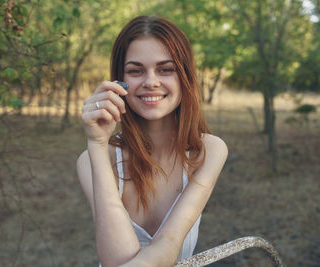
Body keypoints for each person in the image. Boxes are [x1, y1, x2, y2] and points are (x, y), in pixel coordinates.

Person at [76, 16, 228, 267]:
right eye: (136, 71)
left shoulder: (208, 150)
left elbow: (168, 246)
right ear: (118, 81)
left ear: (185, 77)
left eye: (165, 69)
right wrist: (97, 143)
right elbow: (115, 259)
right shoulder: (91, 159)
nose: (151, 82)